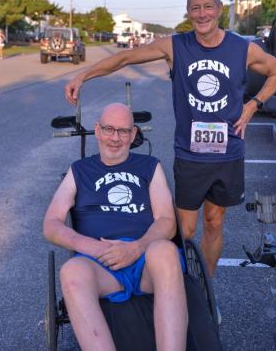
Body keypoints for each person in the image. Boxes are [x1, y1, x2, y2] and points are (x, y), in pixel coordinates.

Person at [65, 0, 276, 282]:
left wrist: (253, 105)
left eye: (208, 6)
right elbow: (126, 57)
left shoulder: (241, 48)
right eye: (195, 7)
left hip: (228, 152)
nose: (202, 13)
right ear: (187, 11)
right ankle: (180, 286)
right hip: (190, 154)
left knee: (214, 221)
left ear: (219, 9)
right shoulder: (176, 46)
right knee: (186, 229)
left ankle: (205, 292)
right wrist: (84, 75)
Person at [43, 103, 188, 351]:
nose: (115, 138)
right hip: (100, 264)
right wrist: (92, 248)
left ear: (133, 135)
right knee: (71, 272)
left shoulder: (150, 166)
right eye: (109, 129)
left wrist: (138, 247)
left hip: (146, 262)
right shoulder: (79, 170)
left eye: (123, 131)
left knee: (165, 252)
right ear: (98, 130)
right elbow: (51, 223)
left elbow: (166, 220)